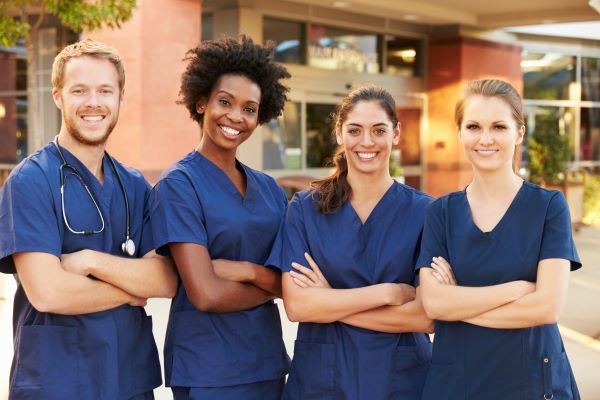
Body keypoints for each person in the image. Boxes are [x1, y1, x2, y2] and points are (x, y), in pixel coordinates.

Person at [0, 39, 178, 399]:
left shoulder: (135, 185)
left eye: (105, 90)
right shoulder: (30, 180)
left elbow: (165, 279)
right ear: (58, 96)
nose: (93, 102)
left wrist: (89, 260)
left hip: (128, 380)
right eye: (79, 90)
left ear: (120, 98)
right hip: (58, 380)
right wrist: (130, 291)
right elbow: (49, 292)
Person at [417, 79, 581, 399]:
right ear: (460, 132)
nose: (486, 139)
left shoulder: (548, 207)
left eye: (499, 126)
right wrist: (516, 290)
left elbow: (546, 307)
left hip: (531, 380)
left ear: (518, 133)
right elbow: (433, 302)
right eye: (474, 126)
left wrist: (458, 305)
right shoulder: (441, 213)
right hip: (458, 381)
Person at [148, 36, 291, 400]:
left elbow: (290, 284)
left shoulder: (270, 189)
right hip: (209, 370)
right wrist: (269, 284)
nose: (236, 117)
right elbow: (206, 294)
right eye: (225, 102)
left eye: (250, 108)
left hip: (268, 363)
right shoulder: (179, 185)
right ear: (201, 102)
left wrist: (246, 271)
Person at [271, 85, 433, 400]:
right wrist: (386, 293)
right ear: (339, 133)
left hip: (401, 383)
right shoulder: (305, 209)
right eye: (355, 130)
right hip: (323, 382)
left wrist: (329, 302)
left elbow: (424, 316)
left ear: (396, 133)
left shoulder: (426, 212)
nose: (367, 142)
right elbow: (298, 305)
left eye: (379, 130)